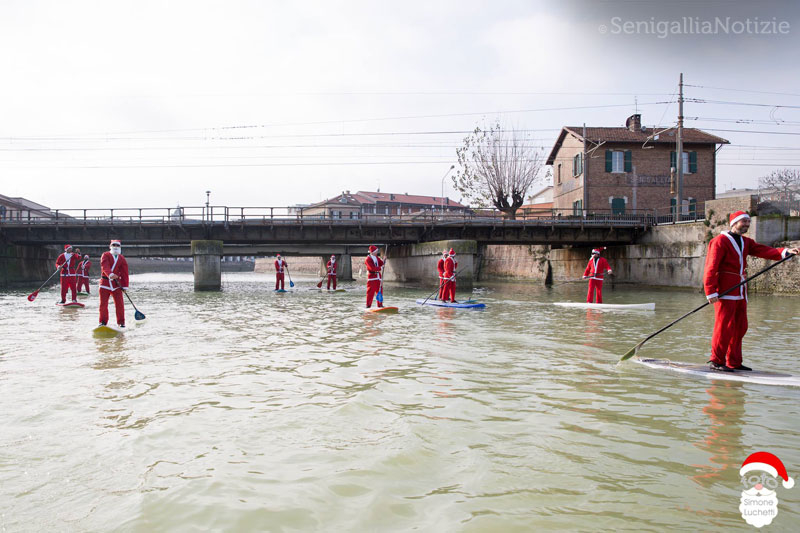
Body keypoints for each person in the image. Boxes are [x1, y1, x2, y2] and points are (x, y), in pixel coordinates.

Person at [704, 211, 798, 372]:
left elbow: (764, 251)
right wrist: (710, 291)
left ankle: (734, 361)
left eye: (748, 222)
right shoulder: (719, 241)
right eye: (744, 222)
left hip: (740, 289)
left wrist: (786, 252)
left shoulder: (746, 242)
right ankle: (716, 361)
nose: (747, 225)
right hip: (725, 289)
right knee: (724, 326)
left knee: (741, 326)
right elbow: (711, 267)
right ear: (734, 223)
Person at [98, 240, 129, 327]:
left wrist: (125, 286)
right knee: (103, 304)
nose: (115, 247)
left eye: (117, 245)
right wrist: (110, 274)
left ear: (120, 247)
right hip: (105, 283)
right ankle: (103, 322)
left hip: (117, 285)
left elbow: (124, 273)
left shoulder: (122, 258)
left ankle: (121, 323)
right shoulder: (105, 255)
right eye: (113, 245)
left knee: (120, 305)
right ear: (110, 246)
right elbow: (105, 266)